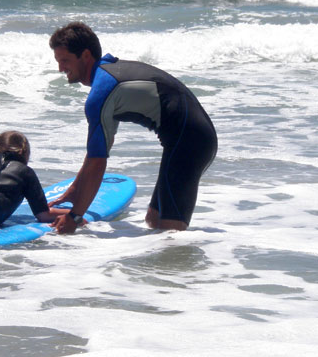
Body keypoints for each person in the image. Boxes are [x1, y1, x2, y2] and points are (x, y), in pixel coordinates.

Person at [48, 22, 217, 234]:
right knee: (154, 221)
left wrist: (75, 216)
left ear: (85, 55)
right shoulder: (107, 78)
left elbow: (98, 161)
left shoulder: (102, 92)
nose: (60, 68)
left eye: (65, 60)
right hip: (187, 140)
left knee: (172, 235)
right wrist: (74, 191)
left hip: (191, 142)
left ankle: (181, 266)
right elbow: (95, 154)